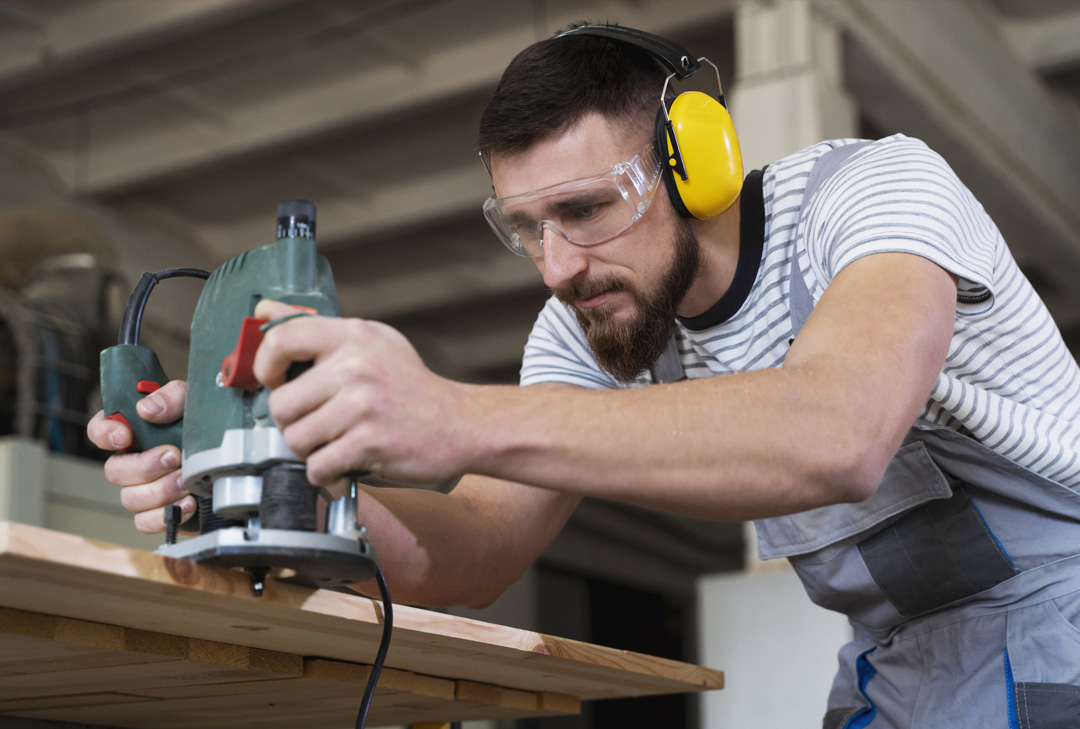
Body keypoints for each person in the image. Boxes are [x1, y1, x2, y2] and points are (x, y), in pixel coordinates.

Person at [87, 24, 1080, 729]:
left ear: (698, 162)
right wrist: (273, 474)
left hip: (1060, 613)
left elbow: (839, 432)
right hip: (897, 655)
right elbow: (474, 548)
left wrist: (449, 413)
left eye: (589, 210)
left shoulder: (872, 195)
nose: (557, 267)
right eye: (526, 228)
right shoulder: (592, 323)